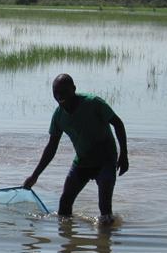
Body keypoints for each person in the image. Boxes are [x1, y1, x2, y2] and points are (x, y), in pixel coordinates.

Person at [23, 73, 129, 223]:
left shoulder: (94, 103)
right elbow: (51, 147)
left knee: (105, 210)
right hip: (82, 162)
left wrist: (124, 155)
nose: (60, 96)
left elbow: (118, 124)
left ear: (73, 89)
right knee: (64, 205)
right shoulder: (58, 116)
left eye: (63, 92)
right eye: (56, 93)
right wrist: (35, 176)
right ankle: (67, 236)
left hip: (105, 160)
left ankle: (106, 237)